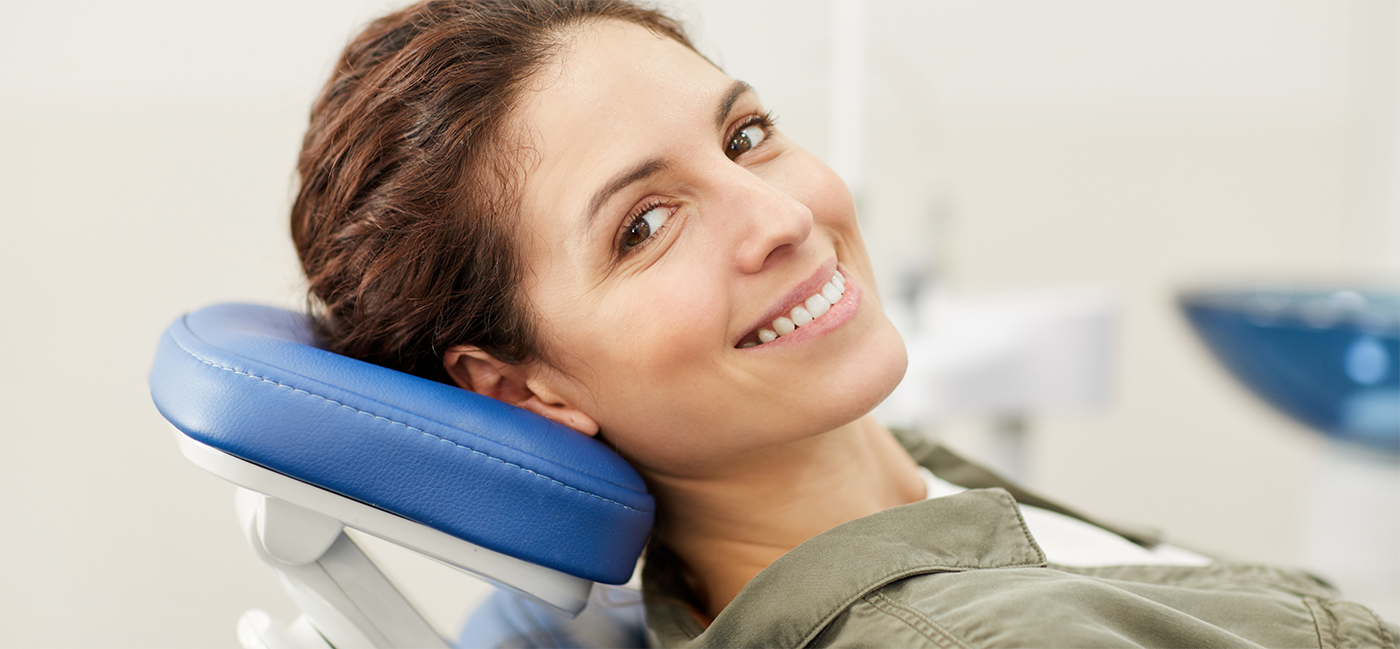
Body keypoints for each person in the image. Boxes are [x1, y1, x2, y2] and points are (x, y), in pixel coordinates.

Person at [290, 1, 1399, 647]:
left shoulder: (900, 487)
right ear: (526, 390)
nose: (780, 215)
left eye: (745, 135)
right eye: (645, 225)